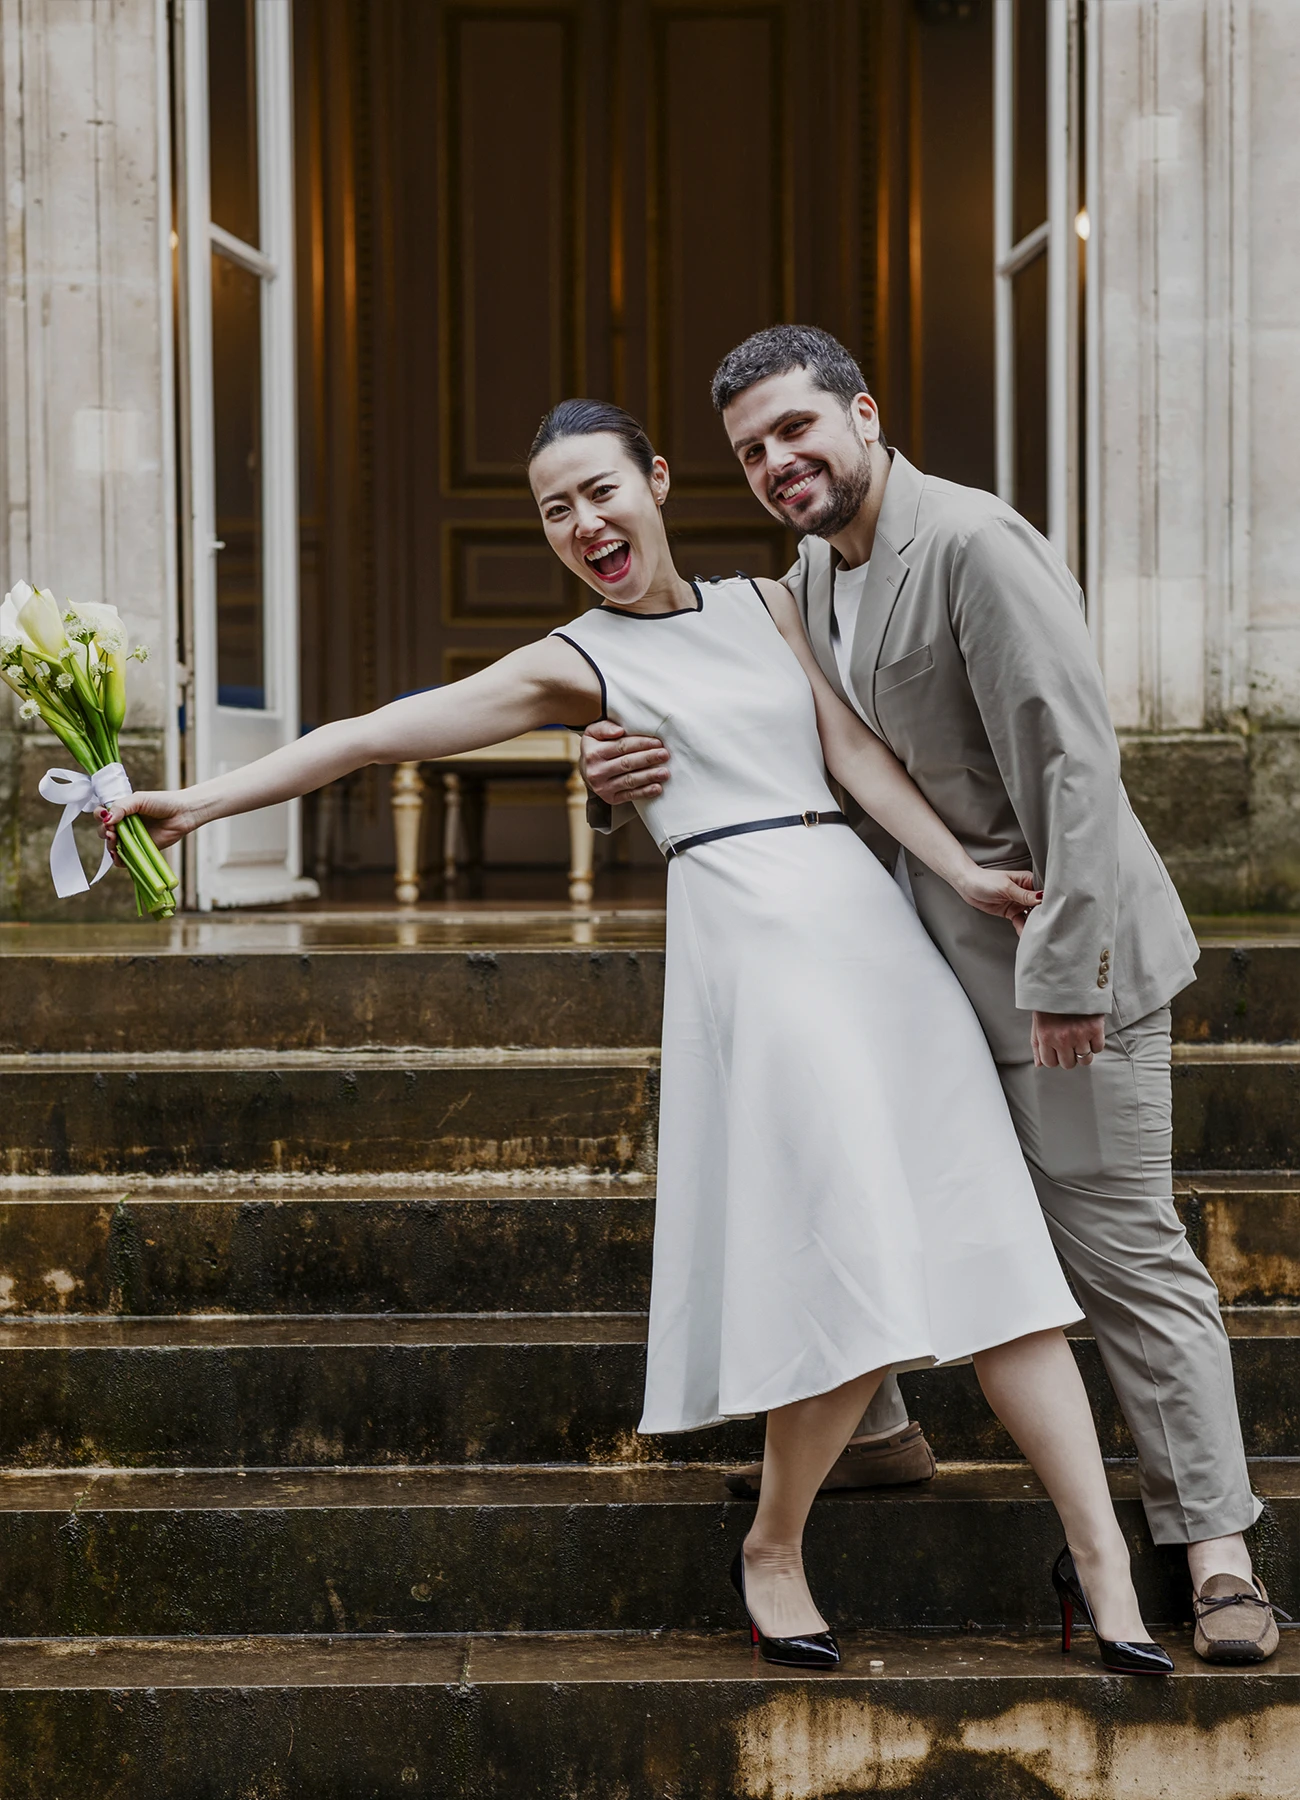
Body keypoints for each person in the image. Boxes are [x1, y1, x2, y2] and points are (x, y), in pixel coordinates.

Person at [101, 396, 1172, 1674]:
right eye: (555, 509)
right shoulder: (572, 662)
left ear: (654, 483)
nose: (582, 522)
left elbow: (856, 757)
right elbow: (372, 731)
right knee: (849, 1257)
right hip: (757, 957)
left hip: (877, 939)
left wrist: (959, 870)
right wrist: (200, 803)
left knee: (997, 1253)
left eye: (599, 491)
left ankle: (1104, 1568)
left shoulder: (767, 605)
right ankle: (774, 1546)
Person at [581, 326, 1282, 1666]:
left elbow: (1076, 765)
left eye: (800, 429)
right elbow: (775, 740)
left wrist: (1068, 972)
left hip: (1062, 973)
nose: (782, 461)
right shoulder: (806, 580)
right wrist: (622, 763)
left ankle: (1219, 1551)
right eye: (753, 450)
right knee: (859, 1192)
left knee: (1123, 1254)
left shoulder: (970, 544)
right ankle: (882, 1438)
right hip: (917, 973)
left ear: (863, 413)